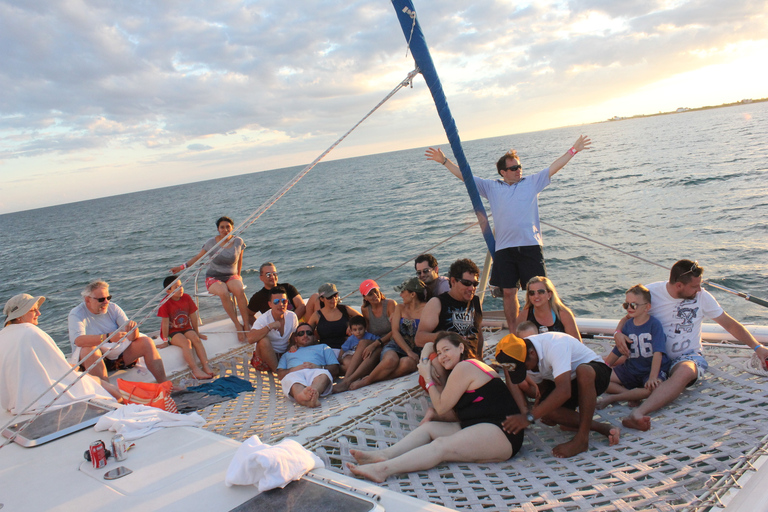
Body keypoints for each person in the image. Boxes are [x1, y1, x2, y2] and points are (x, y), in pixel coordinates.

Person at [426, 135, 591, 333]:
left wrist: (574, 150)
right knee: (509, 292)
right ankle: (515, 332)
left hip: (530, 245)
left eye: (519, 167)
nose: (518, 170)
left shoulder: (531, 182)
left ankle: (541, 328)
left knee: (538, 292)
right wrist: (444, 161)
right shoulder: (492, 187)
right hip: (505, 248)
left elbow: (554, 167)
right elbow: (465, 176)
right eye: (513, 168)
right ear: (503, 172)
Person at [347, 332, 525, 483]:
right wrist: (426, 359)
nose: (442, 356)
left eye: (447, 350)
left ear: (461, 348)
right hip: (481, 425)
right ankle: (384, 454)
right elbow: (429, 344)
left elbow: (441, 407)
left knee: (441, 445)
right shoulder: (464, 368)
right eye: (439, 353)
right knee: (430, 428)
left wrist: (427, 376)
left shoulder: (465, 367)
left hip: (503, 433)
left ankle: (383, 470)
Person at [616, 259, 768, 431]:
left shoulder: (702, 297)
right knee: (604, 368)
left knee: (686, 371)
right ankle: (631, 394)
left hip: (686, 356)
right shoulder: (650, 293)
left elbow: (729, 324)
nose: (700, 289)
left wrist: (757, 347)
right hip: (653, 358)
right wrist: (618, 334)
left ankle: (638, 413)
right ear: (679, 285)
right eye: (695, 286)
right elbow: (628, 317)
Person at [497, 331, 619, 458]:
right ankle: (601, 427)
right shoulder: (522, 354)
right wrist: (540, 408)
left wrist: (529, 417)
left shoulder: (555, 345)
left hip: (594, 376)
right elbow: (543, 385)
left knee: (584, 371)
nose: (527, 371)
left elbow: (564, 391)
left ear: (532, 353)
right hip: (565, 381)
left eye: (524, 367)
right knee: (546, 412)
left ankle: (582, 439)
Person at [1, 293, 118, 414]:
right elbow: (62, 371)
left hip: (16, 400)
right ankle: (123, 406)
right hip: (41, 397)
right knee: (101, 385)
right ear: (21, 314)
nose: (38, 314)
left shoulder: (3, 335)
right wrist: (74, 367)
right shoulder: (31, 332)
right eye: (33, 310)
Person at [68, 280, 169, 384]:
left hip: (117, 355)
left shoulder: (113, 308)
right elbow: (79, 341)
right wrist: (108, 337)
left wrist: (134, 330)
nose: (106, 302)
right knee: (89, 349)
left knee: (147, 342)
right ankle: (109, 392)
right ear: (88, 300)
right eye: (101, 299)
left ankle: (164, 384)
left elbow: (132, 338)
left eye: (108, 298)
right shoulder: (76, 314)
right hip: (93, 361)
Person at [170, 216, 250, 341]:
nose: (225, 230)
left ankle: (246, 324)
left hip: (231, 276)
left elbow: (240, 259)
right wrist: (181, 267)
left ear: (232, 228)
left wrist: (238, 275)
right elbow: (198, 257)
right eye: (222, 227)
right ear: (218, 229)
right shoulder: (211, 243)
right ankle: (237, 325)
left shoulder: (238, 241)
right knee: (223, 292)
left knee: (239, 290)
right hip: (214, 277)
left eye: (228, 227)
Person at [347, 277, 429, 391]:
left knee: (407, 363)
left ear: (413, 294)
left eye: (375, 291)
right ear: (365, 298)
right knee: (383, 355)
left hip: (396, 342)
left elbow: (395, 331)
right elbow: (392, 331)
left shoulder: (393, 305)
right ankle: (354, 379)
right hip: (391, 343)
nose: (375, 295)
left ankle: (371, 379)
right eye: (370, 294)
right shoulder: (397, 307)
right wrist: (350, 326)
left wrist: (377, 343)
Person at [597, 285, 669, 410]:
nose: (629, 308)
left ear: (647, 307)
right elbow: (619, 349)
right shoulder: (628, 325)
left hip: (649, 370)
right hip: (631, 369)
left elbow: (658, 352)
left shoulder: (654, 324)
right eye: (626, 305)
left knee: (653, 390)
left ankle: (614, 398)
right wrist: (606, 365)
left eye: (633, 305)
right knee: (600, 378)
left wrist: (652, 377)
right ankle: (630, 395)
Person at [416, 259, 484, 358]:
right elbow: (419, 338)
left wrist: (480, 360)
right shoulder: (437, 303)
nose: (472, 288)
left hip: (471, 361)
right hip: (448, 363)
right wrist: (444, 337)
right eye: (466, 283)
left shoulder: (475, 301)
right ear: (453, 281)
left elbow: (478, 335)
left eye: (475, 284)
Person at [157, 276, 214, 380]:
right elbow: (164, 323)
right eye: (176, 287)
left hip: (185, 327)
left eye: (181, 285)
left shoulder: (186, 298)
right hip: (171, 333)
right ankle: (195, 370)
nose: (180, 289)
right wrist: (165, 341)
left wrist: (197, 332)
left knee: (195, 339)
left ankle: (206, 365)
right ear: (168, 291)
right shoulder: (165, 303)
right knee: (186, 343)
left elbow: (193, 316)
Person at [276, 323, 340, 408]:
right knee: (292, 380)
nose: (305, 335)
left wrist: (319, 367)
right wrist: (293, 369)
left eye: (309, 333)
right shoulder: (287, 354)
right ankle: (307, 397)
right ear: (296, 339)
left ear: (314, 337)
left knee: (323, 375)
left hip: (316, 371)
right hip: (295, 374)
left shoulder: (323, 347)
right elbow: (280, 375)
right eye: (301, 333)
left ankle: (311, 394)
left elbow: (335, 369)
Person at [246, 286, 299, 373]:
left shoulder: (292, 316)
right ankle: (278, 372)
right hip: (264, 359)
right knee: (263, 340)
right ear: (270, 304)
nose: (281, 304)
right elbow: (250, 339)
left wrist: (292, 346)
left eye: (284, 301)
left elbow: (293, 338)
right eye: (276, 302)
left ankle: (282, 366)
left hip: (283, 354)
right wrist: (269, 327)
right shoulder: (264, 319)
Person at [517, 276, 581, 341]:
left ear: (549, 294)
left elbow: (577, 345)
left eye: (540, 292)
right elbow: (516, 342)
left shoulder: (563, 314)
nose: (536, 296)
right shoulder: (525, 314)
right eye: (532, 293)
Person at [307, 283, 362, 355]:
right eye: (329, 297)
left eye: (335, 295)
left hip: (346, 349)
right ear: (322, 299)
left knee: (347, 363)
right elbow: (306, 331)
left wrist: (351, 325)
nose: (333, 299)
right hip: (325, 351)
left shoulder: (345, 309)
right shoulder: (317, 315)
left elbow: (362, 319)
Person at [333, 316, 381, 392]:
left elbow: (379, 341)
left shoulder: (370, 336)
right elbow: (344, 348)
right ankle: (349, 377)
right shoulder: (351, 338)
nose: (358, 332)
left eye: (360, 329)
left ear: (365, 328)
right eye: (355, 330)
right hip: (353, 354)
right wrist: (340, 357)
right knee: (347, 360)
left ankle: (347, 380)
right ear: (351, 330)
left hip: (364, 356)